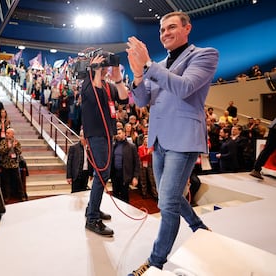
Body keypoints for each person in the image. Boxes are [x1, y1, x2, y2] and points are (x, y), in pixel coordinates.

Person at [126, 11, 218, 274]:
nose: (165, 33)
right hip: (159, 139)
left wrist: (147, 67)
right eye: (162, 29)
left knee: (166, 203)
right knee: (170, 196)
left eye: (171, 27)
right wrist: (137, 77)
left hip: (184, 139)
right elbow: (143, 101)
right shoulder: (159, 65)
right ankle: (198, 226)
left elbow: (185, 87)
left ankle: (156, 261)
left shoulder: (205, 54)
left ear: (187, 28)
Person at [81, 49, 129, 237]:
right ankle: (92, 219)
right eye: (103, 64)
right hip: (96, 135)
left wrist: (117, 78)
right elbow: (93, 95)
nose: (106, 68)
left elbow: (124, 99)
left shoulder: (109, 86)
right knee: (102, 174)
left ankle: (92, 208)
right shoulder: (87, 83)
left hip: (107, 134)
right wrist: (95, 71)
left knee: (101, 173)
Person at [110, 127, 140, 203]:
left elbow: (136, 162)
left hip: (125, 175)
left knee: (124, 196)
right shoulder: (113, 146)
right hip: (114, 174)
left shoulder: (131, 146)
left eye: (119, 133)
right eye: (116, 134)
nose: (117, 135)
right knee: (115, 195)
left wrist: (135, 177)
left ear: (124, 134)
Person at [0, 128, 26, 201]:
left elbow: (20, 152)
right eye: (6, 133)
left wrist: (15, 147)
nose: (6, 134)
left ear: (12, 134)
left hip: (14, 165)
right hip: (5, 164)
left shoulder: (16, 142)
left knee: (18, 181)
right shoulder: (3, 141)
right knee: (6, 181)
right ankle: (7, 196)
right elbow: (0, 151)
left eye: (8, 133)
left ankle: (21, 195)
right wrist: (9, 147)